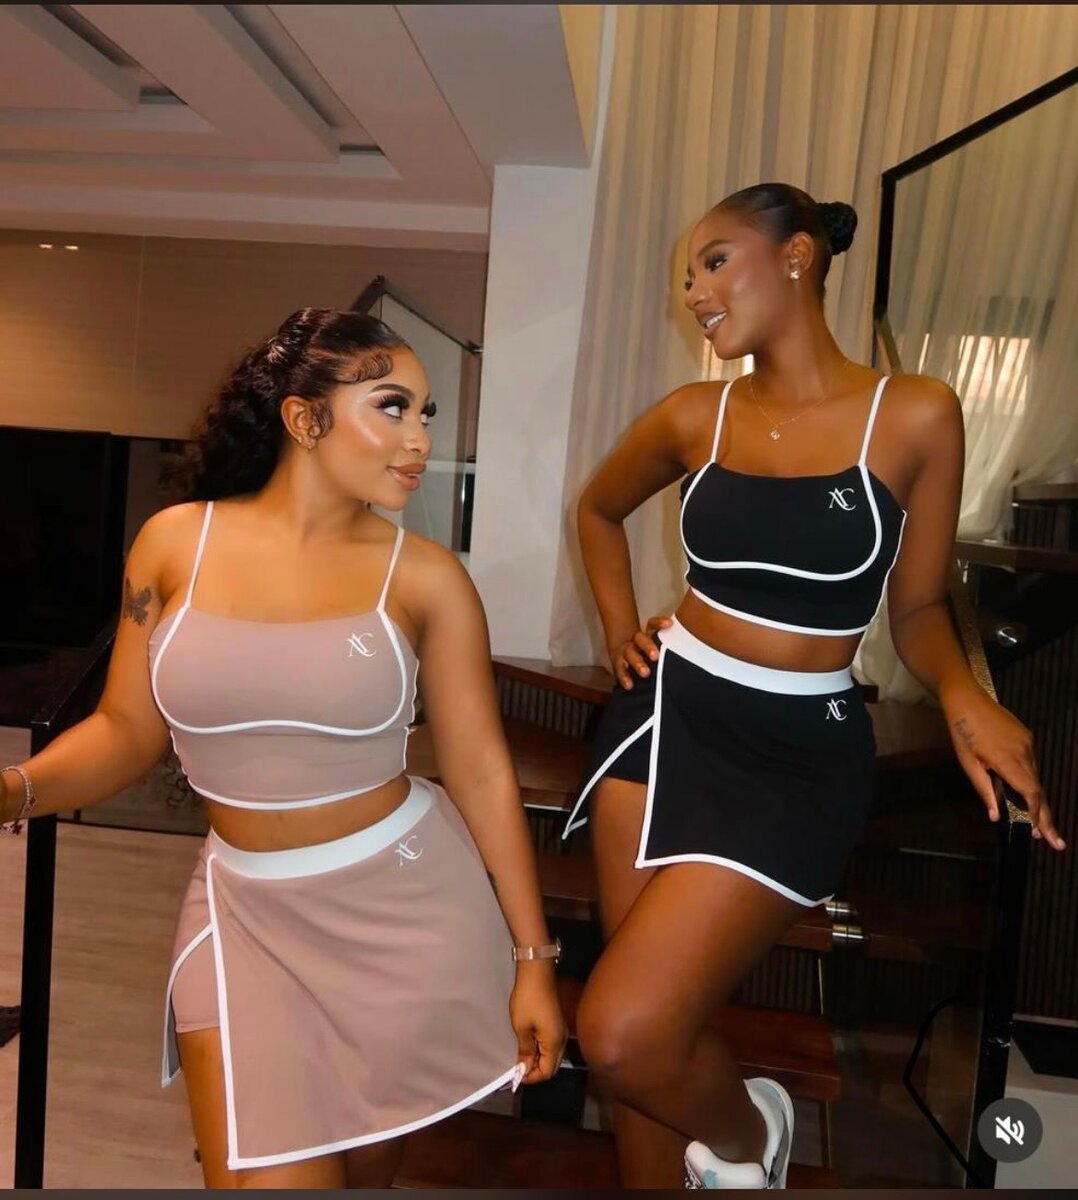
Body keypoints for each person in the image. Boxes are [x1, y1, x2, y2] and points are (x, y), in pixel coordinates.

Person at [562, 183, 1065, 1190]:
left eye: (714, 262)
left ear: (796, 255)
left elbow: (917, 609)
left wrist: (965, 697)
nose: (694, 291)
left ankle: (751, 1131)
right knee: (643, 1050)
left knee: (622, 1030)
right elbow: (597, 511)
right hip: (663, 718)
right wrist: (620, 630)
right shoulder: (692, 415)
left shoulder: (913, 412)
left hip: (798, 752)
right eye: (687, 276)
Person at [1, 308, 566, 1189]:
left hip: (403, 921)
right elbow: (126, 730)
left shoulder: (427, 578)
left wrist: (533, 958)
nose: (419, 439)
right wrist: (15, 789)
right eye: (392, 407)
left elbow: (482, 770)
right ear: (303, 419)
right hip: (242, 916)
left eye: (425, 414)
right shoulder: (172, 544)